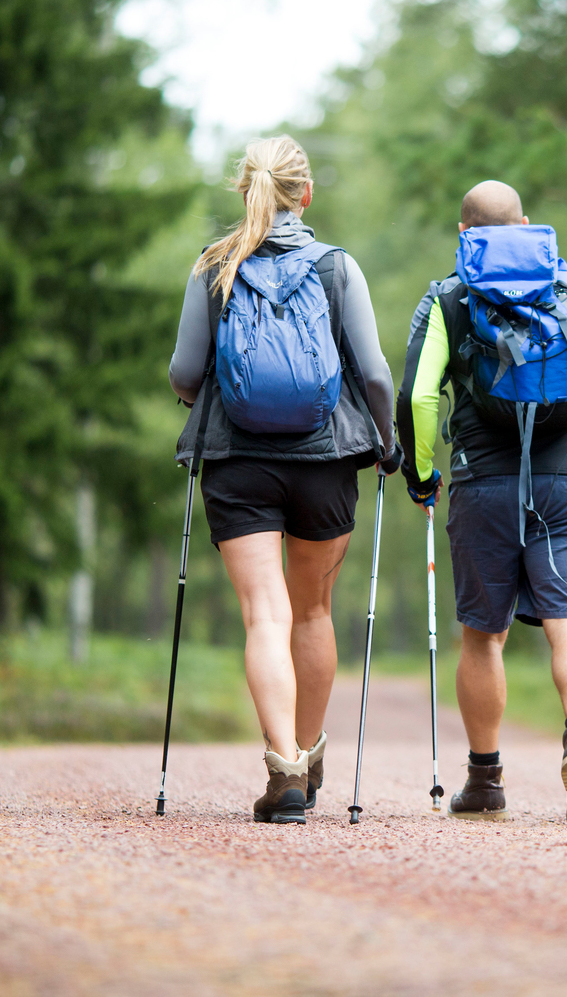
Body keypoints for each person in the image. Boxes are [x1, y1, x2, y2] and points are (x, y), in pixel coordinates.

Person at [168, 135, 399, 825]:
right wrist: (387, 444)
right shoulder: (338, 269)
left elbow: (185, 373)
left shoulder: (214, 267)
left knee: (264, 614)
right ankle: (310, 748)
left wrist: (201, 393)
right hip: (325, 461)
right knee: (313, 612)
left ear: (245, 191)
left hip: (238, 461)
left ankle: (285, 768)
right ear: (307, 194)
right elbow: (376, 373)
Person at [395, 180, 567, 825]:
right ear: (527, 224)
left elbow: (419, 397)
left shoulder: (449, 295)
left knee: (483, 635)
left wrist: (422, 474)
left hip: (483, 482)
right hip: (566, 480)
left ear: (464, 236)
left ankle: (485, 780)